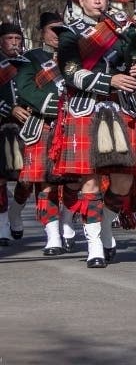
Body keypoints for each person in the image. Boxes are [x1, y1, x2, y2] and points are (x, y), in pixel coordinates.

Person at [54, 0, 136, 268]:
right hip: (86, 108)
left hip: (120, 108)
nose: (98, 1)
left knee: (123, 181)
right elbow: (71, 73)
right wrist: (110, 81)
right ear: (81, 0)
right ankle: (94, 243)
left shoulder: (124, 30)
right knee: (91, 182)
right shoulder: (70, 33)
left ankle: (107, 225)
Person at [11, 13, 69, 255]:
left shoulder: (76, 57)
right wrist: (57, 105)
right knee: (42, 184)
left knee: (74, 182)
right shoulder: (31, 58)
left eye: (61, 30)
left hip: (72, 124)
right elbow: (24, 88)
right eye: (52, 30)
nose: (57, 35)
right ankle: (52, 235)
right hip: (43, 124)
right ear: (42, 33)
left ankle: (68, 223)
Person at [0, 21, 25, 244]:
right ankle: (3, 226)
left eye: (17, 39)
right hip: (2, 124)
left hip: (26, 126)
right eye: (10, 38)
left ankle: (15, 213)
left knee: (26, 178)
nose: (14, 43)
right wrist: (8, 109)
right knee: (0, 179)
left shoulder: (27, 62)